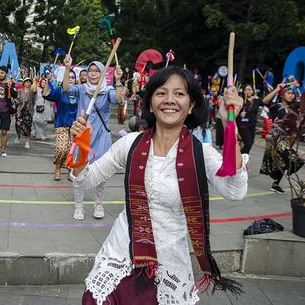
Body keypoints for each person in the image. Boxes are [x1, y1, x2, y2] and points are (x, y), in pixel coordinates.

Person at [70, 66, 247, 304]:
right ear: (151, 103)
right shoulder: (130, 144)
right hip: (120, 255)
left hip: (167, 264)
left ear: (192, 104)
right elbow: (86, 179)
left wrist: (229, 122)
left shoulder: (200, 153)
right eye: (161, 93)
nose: (170, 100)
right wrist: (81, 146)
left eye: (179, 94)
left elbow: (234, 189)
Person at [62, 55, 124, 220]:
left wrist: (118, 80)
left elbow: (118, 99)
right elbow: (66, 88)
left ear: (103, 73)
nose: (94, 74)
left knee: (102, 172)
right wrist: (68, 68)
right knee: (78, 170)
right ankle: (79, 206)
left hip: (102, 136)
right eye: (91, 71)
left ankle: (98, 203)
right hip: (83, 134)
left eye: (97, 71)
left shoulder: (108, 90)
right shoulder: (82, 89)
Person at [260, 81, 303, 194]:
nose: (291, 95)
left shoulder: (294, 107)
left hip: (290, 138)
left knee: (292, 161)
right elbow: (264, 101)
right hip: (278, 138)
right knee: (286, 158)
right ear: (282, 95)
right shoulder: (277, 106)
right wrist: (277, 89)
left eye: (292, 93)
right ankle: (274, 177)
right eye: (288, 93)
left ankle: (275, 183)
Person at [43, 70, 78, 180]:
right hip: (61, 124)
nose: (71, 79)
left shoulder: (78, 92)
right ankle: (57, 167)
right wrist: (48, 81)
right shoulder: (59, 91)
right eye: (68, 77)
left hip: (75, 127)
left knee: (71, 150)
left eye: (73, 77)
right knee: (61, 149)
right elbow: (45, 94)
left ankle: (69, 170)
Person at [237, 84, 264, 154]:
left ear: (252, 91)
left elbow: (266, 102)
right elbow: (234, 113)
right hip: (243, 126)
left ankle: (243, 159)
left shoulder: (256, 101)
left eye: (249, 90)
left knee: (250, 144)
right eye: (245, 90)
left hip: (252, 125)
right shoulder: (240, 100)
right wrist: (240, 114)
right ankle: (240, 158)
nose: (247, 91)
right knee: (248, 144)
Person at [14, 77, 35, 148]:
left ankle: (27, 142)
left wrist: (36, 81)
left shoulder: (32, 91)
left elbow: (35, 90)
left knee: (28, 126)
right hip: (20, 110)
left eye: (29, 82)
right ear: (24, 83)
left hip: (28, 110)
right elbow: (17, 98)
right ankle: (18, 135)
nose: (28, 83)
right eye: (26, 82)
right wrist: (17, 102)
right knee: (18, 124)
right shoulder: (20, 90)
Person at [32, 76, 52, 141]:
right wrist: (35, 81)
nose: (43, 83)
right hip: (38, 106)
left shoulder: (48, 89)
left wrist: (49, 80)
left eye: (44, 82)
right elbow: (33, 90)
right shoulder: (37, 88)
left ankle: (42, 133)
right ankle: (36, 131)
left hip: (46, 108)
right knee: (35, 120)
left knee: (44, 122)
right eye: (42, 82)